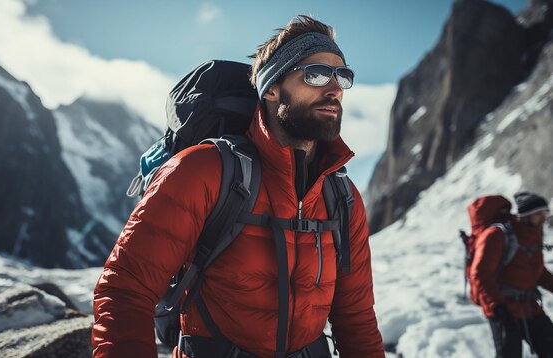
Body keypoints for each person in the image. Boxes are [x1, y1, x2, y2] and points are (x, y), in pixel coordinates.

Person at [92, 15, 384, 358]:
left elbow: (356, 318)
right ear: (271, 88)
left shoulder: (342, 197)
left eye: (342, 76)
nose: (334, 88)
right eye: (315, 74)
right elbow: (125, 291)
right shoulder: (202, 170)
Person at [471, 192, 553, 357]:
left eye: (545, 213)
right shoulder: (497, 235)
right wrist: (498, 307)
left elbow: (536, 271)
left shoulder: (533, 235)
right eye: (539, 214)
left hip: (529, 306)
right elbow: (480, 274)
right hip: (504, 310)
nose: (543, 218)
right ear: (526, 215)